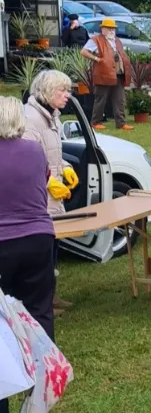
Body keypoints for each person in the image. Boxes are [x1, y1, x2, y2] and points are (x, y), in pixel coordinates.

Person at [0, 95, 58, 413]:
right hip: (38, 236)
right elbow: (46, 180)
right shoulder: (34, 151)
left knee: (4, 315)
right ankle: (40, 370)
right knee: (39, 307)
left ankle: (8, 366)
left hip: (3, 240)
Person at [22, 70, 76, 313]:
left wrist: (65, 168)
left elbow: (53, 153)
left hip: (52, 195)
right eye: (62, 91)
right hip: (38, 196)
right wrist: (49, 181)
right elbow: (29, 161)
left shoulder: (53, 115)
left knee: (52, 246)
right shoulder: (30, 119)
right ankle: (41, 301)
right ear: (46, 92)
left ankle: (51, 296)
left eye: (68, 90)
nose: (67, 95)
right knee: (42, 249)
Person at [80, 17, 134, 131]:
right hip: (103, 73)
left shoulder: (117, 40)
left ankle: (121, 123)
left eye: (113, 28)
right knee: (101, 99)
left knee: (119, 99)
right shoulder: (96, 40)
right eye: (108, 28)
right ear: (102, 29)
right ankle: (95, 122)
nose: (111, 31)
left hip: (119, 73)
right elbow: (83, 52)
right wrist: (97, 59)